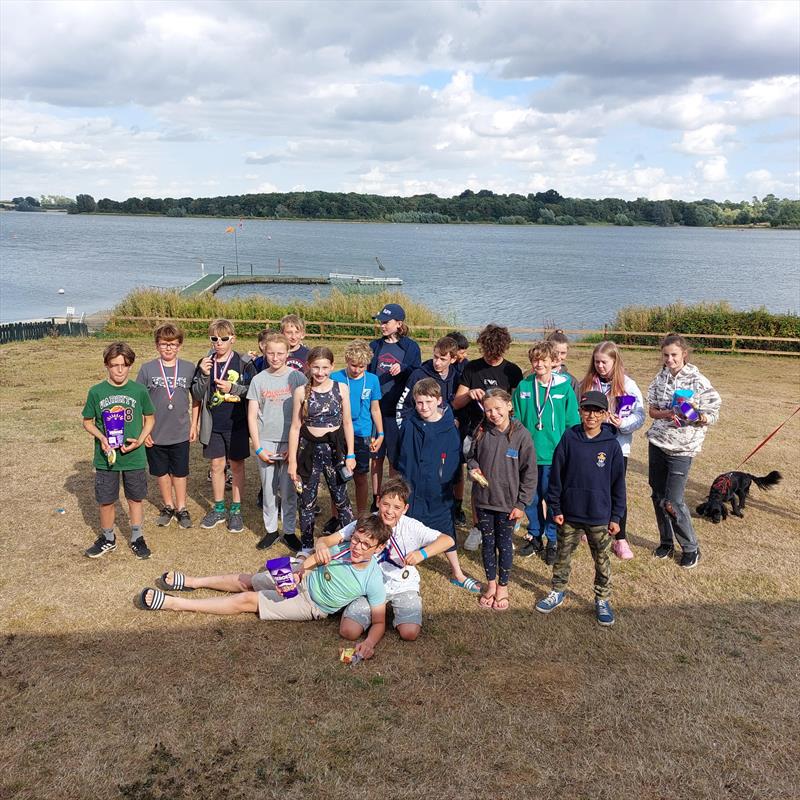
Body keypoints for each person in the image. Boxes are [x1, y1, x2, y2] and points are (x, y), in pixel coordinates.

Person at [139, 515, 391, 661]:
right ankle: (193, 582)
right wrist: (298, 573)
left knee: (248, 600)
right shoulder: (344, 548)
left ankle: (174, 603)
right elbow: (315, 558)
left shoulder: (373, 579)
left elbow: (379, 622)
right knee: (250, 579)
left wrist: (368, 643)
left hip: (311, 604)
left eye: (365, 545)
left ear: (378, 549)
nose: (357, 547)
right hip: (301, 579)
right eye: (356, 539)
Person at [314, 477, 455, 642]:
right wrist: (321, 545)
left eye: (397, 507)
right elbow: (327, 540)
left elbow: (448, 540)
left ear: (405, 509)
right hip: (371, 588)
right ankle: (379, 613)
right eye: (386, 504)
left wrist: (421, 554)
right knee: (348, 631)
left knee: (409, 633)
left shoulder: (412, 526)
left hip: (402, 586)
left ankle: (395, 613)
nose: (389, 511)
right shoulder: (367, 523)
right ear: (378, 501)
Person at [536, 391, 626, 626]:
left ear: (605, 414)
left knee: (602, 559)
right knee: (563, 555)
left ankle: (602, 599)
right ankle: (557, 590)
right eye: (587, 410)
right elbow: (556, 476)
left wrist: (616, 516)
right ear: (580, 412)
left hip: (599, 515)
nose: (592, 415)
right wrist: (555, 507)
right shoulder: (569, 437)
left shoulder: (611, 445)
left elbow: (618, 485)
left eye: (597, 411)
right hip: (569, 513)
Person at [396, 378, 481, 594]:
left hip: (438, 491)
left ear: (439, 401)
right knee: (402, 529)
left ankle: (457, 573)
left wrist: (446, 483)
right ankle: (395, 566)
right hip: (412, 489)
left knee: (446, 531)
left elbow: (453, 461)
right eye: (419, 403)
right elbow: (401, 456)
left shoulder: (449, 427)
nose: (424, 407)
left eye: (428, 402)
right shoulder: (409, 424)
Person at [646, 333, 721, 569]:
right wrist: (667, 413)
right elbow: (652, 410)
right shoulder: (660, 379)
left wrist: (696, 416)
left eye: (674, 355)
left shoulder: (698, 380)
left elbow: (712, 413)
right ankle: (666, 542)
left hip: (683, 448)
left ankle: (690, 547)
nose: (669, 359)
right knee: (658, 496)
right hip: (658, 443)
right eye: (666, 355)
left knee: (674, 500)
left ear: (684, 354)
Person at [452, 324, 523, 551]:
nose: (492, 357)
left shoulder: (512, 371)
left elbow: (517, 406)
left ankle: (507, 525)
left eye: (497, 353)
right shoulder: (472, 368)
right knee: (477, 479)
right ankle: (477, 526)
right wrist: (470, 394)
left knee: (506, 480)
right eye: (488, 352)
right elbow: (456, 402)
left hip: (504, 434)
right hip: (477, 432)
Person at [82, 342, 155, 559]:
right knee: (106, 499)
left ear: (130, 365)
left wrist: (140, 440)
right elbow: (87, 421)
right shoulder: (96, 392)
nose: (120, 370)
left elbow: (150, 418)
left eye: (124, 365)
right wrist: (102, 438)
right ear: (106, 365)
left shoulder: (139, 390)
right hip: (107, 458)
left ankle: (137, 536)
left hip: (134, 456)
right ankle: (107, 538)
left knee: (135, 498)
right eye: (114, 365)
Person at [466, 389, 537, 611]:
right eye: (488, 410)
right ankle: (491, 584)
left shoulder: (521, 435)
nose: (493, 414)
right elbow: (471, 458)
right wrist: (474, 468)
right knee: (488, 543)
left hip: (508, 504)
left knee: (504, 544)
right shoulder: (481, 430)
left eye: (497, 408)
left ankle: (504, 587)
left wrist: (521, 504)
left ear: (509, 405)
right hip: (484, 500)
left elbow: (530, 473)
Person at [513, 340, 580, 564]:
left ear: (554, 361)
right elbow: (516, 422)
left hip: (555, 455)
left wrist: (571, 452)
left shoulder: (564, 387)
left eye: (543, 360)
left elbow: (572, 423)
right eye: (534, 360)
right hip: (530, 454)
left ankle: (552, 538)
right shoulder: (524, 387)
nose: (538, 364)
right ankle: (535, 535)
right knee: (531, 498)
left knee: (552, 498)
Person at [578, 341, 645, 559]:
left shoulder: (628, 385)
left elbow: (640, 415)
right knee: (590, 486)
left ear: (615, 361)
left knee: (616, 490)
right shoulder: (586, 383)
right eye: (596, 362)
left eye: (604, 362)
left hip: (618, 446)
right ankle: (590, 527)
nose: (600, 366)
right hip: (590, 444)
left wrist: (622, 423)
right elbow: (576, 411)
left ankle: (621, 539)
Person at [288, 347, 356, 554]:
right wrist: (292, 462)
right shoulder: (301, 391)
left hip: (334, 451)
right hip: (308, 451)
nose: (320, 372)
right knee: (307, 501)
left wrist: (350, 454)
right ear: (309, 366)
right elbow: (295, 427)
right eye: (316, 367)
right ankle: (307, 546)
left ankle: (348, 543)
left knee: (341, 499)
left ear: (332, 367)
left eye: (325, 368)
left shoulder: (341, 388)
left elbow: (347, 423)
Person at [191, 318, 256, 533]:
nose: (218, 342)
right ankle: (219, 508)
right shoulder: (205, 362)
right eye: (214, 339)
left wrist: (233, 388)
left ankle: (235, 510)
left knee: (237, 466)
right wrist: (203, 373)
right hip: (213, 424)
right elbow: (197, 394)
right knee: (216, 466)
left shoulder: (244, 363)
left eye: (224, 338)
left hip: (236, 423)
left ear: (233, 339)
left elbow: (254, 392)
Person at [247, 331, 307, 551]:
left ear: (288, 352)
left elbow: (303, 414)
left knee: (289, 489)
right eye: (271, 353)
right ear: (264, 351)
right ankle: (271, 530)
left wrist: (295, 447)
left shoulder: (298, 378)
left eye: (280, 353)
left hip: (290, 442)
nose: (275, 357)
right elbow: (252, 415)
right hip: (267, 443)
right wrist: (258, 446)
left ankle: (289, 531)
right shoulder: (258, 380)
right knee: (269, 489)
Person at [135, 322, 199, 530]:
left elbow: (196, 399)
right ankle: (168, 506)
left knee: (180, 472)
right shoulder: (147, 369)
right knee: (161, 472)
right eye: (163, 344)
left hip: (180, 431)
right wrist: (144, 432)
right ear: (157, 345)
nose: (168, 348)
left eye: (172, 344)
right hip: (155, 433)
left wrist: (194, 425)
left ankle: (181, 507)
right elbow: (139, 402)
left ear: (179, 345)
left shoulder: (189, 368)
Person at [368, 303, 421, 501]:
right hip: (376, 411)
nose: (382, 326)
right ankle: (376, 498)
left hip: (398, 412)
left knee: (395, 460)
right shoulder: (375, 346)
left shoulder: (410, 347)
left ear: (399, 323)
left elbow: (417, 373)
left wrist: (403, 368)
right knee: (376, 457)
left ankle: (391, 496)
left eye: (386, 322)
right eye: (380, 322)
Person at [331, 339, 383, 516]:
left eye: (361, 366)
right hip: (338, 434)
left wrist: (380, 433)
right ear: (346, 360)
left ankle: (361, 515)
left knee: (360, 476)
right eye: (353, 365)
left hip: (362, 433)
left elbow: (375, 409)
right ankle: (335, 516)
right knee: (337, 477)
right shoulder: (336, 377)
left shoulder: (373, 380)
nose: (357, 370)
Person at [395, 335, 459, 421]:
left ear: (453, 359)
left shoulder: (456, 377)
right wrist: (406, 430)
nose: (437, 362)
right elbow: (404, 407)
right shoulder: (418, 375)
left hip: (445, 427)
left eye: (443, 359)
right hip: (420, 426)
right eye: (435, 357)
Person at [446, 330, 471, 527]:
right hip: (442, 418)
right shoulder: (439, 365)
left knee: (458, 466)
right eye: (460, 351)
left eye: (464, 351)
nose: (463, 355)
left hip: (462, 421)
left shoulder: (468, 367)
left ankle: (458, 506)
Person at [546, 329, 580, 398]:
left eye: (563, 353)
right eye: (555, 352)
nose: (558, 357)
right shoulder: (531, 377)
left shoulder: (571, 381)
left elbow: (576, 407)